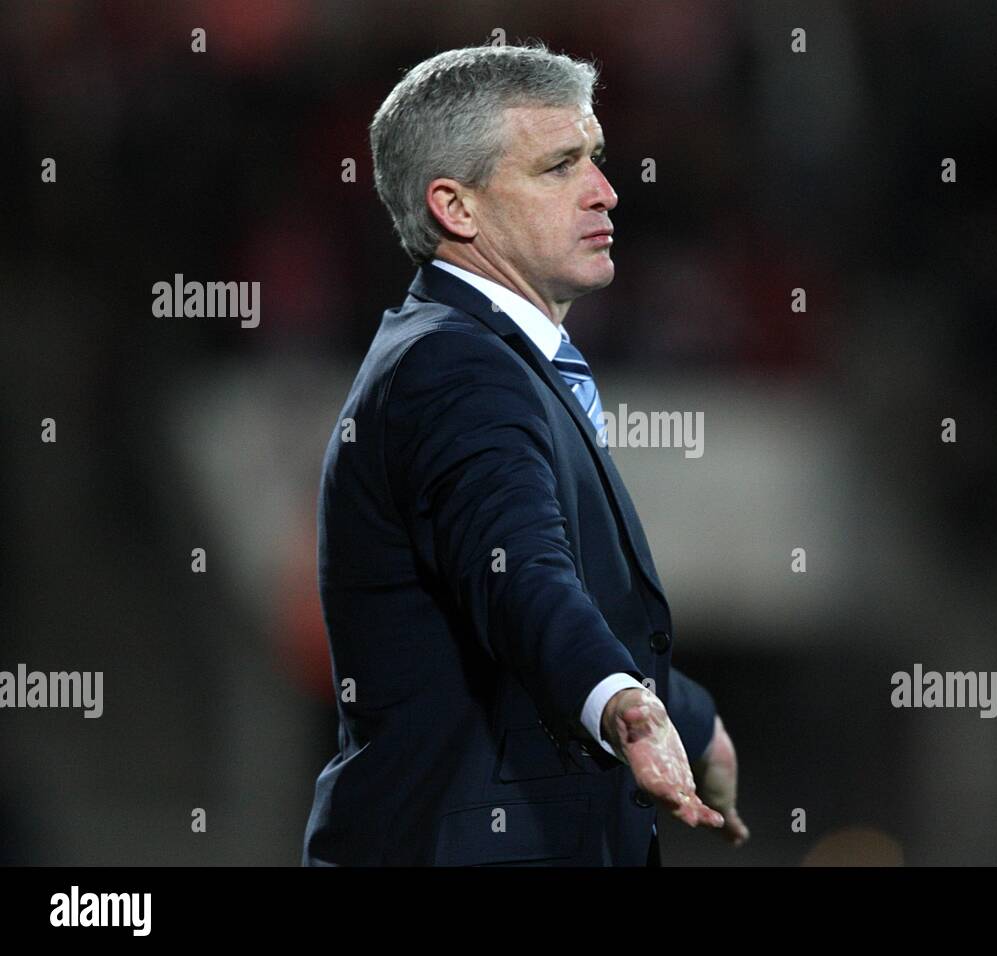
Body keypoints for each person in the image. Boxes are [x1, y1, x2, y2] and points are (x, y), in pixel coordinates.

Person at [302, 42, 749, 866]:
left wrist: (692, 719)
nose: (606, 191)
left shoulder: (483, 358)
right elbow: (520, 578)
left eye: (599, 160)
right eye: (560, 166)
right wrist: (618, 702)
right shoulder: (454, 368)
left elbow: (583, 606)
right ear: (456, 208)